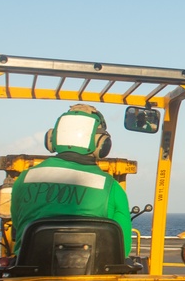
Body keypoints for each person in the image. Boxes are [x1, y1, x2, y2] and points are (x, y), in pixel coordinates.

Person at [10, 104, 132, 255]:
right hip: (90, 277)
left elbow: (17, 224)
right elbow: (122, 249)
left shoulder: (24, 179)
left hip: (28, 276)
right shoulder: (112, 188)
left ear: (51, 139)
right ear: (102, 143)